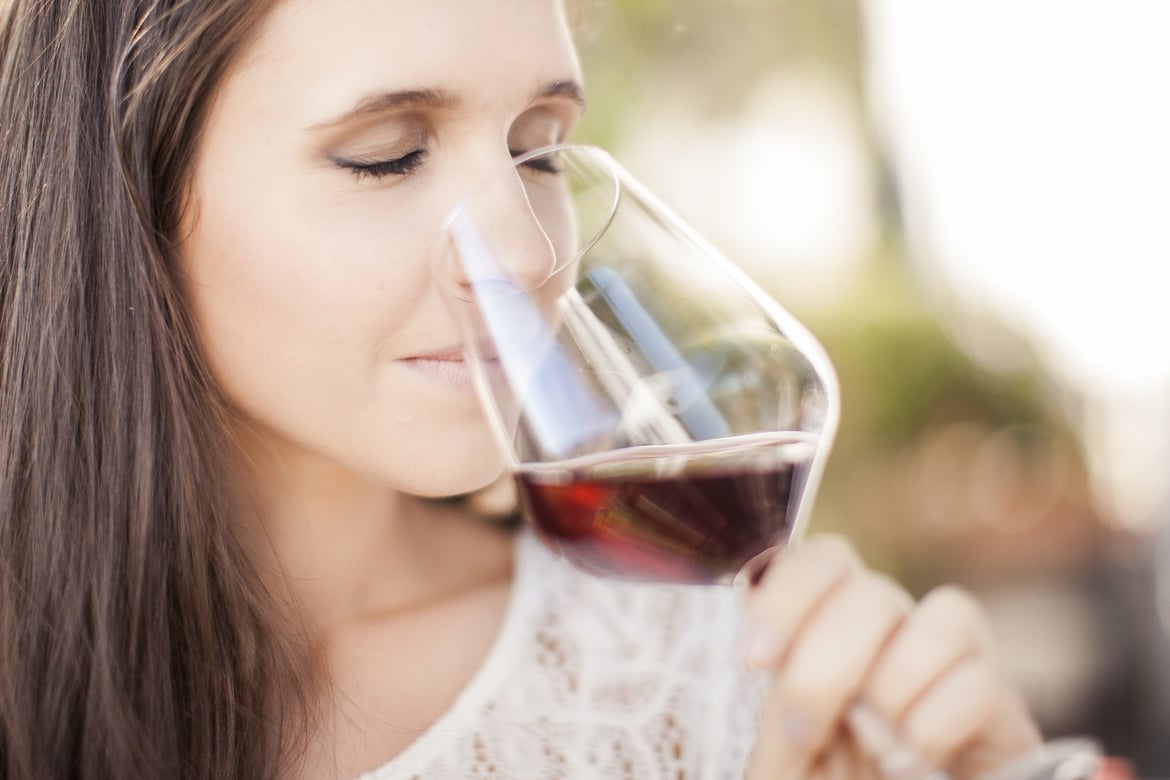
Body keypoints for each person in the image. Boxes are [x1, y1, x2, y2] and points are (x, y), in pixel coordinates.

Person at [0, 0, 1047, 777]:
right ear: (124, 191)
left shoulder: (707, 676)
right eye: (387, 155)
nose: (526, 252)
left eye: (539, 153)